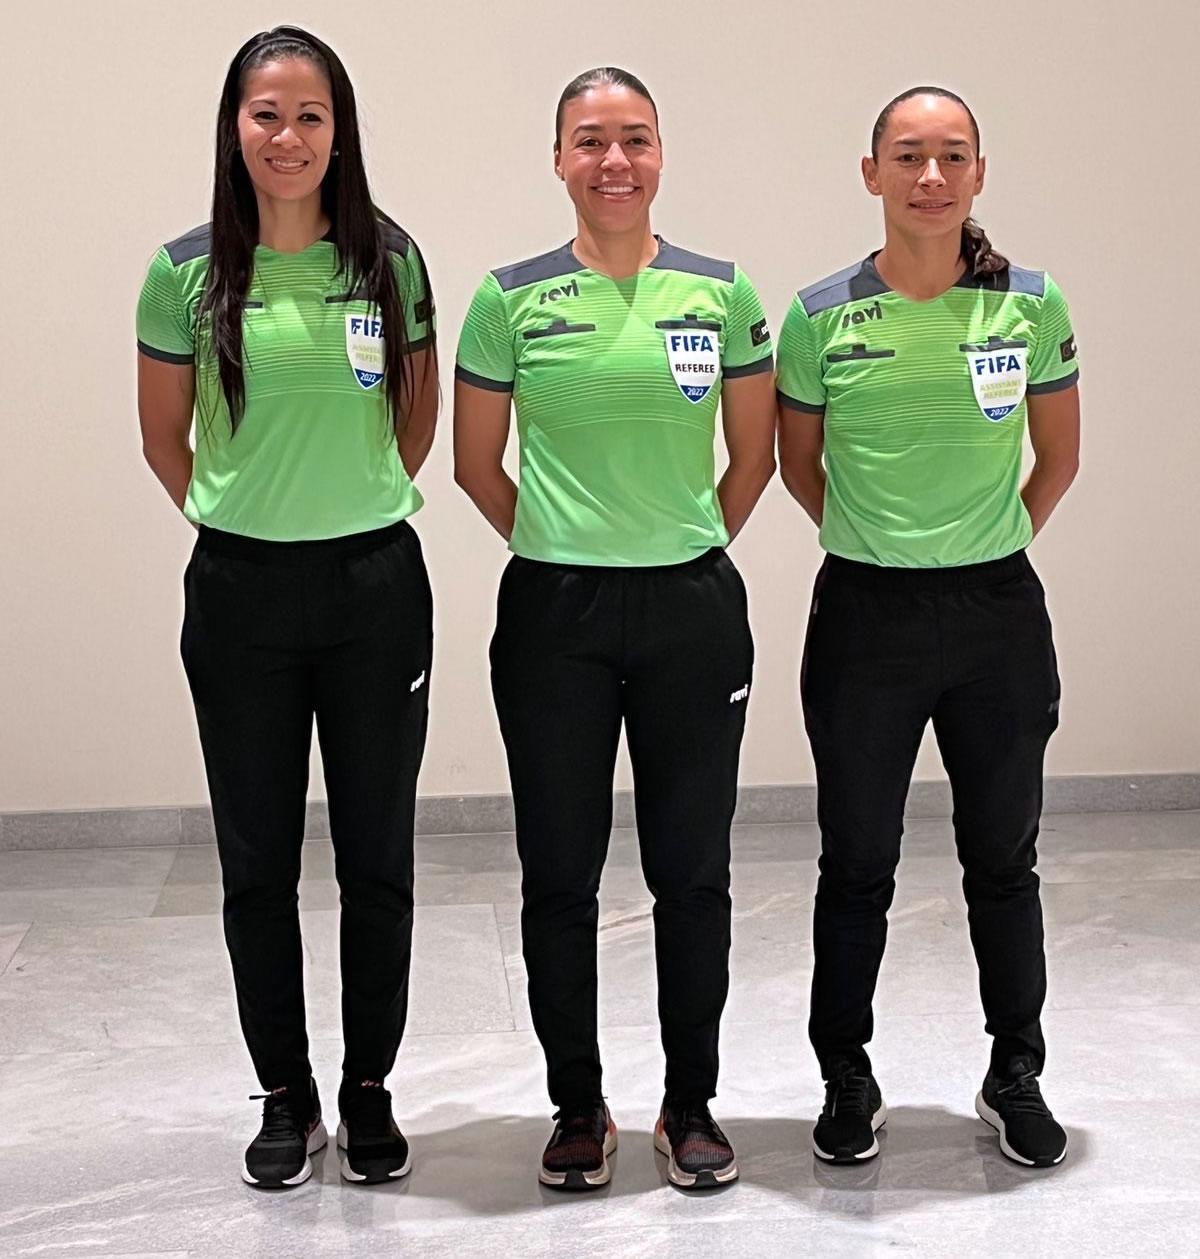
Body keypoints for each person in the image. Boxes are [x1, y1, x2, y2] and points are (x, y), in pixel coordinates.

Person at [453, 67, 776, 1190]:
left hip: (691, 608)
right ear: (558, 160)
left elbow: (754, 460)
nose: (614, 161)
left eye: (634, 138)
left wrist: (679, 541)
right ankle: (578, 1104)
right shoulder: (509, 297)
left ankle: (691, 1102)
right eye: (590, 140)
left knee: (693, 868)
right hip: (555, 613)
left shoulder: (721, 292)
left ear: (661, 154)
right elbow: (474, 463)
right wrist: (562, 540)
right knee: (560, 873)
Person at [136, 26, 437, 1189]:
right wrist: (247, 512)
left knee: (377, 856)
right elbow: (167, 441)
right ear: (234, 127)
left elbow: (413, 425)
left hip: (373, 590)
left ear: (340, 130)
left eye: (311, 116)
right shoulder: (187, 271)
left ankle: (366, 1087)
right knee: (257, 858)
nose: (289, 136)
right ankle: (286, 1089)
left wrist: (340, 506)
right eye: (267, 114)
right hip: (240, 593)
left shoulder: (390, 262)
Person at [776, 85, 1080, 1170]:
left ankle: (1016, 1069)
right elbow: (797, 466)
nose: (931, 177)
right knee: (857, 861)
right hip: (865, 616)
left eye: (953, 156)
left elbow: (1058, 459)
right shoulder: (819, 315)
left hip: (998, 614)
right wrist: (887, 545)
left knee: (1005, 858)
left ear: (980, 174)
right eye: (908, 156)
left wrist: (980, 543)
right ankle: (847, 1075)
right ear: (872, 175)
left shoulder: (1029, 307)